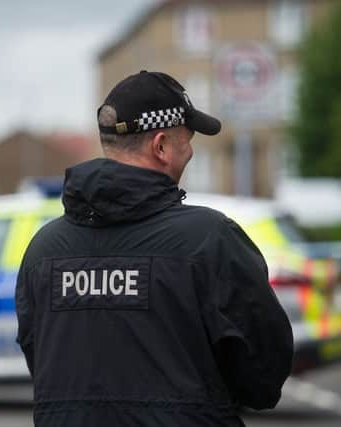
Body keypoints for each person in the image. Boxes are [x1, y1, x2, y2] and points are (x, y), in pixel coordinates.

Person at [15, 70, 294, 426]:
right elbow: (263, 376)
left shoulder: (44, 251)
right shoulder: (210, 239)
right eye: (186, 140)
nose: (190, 151)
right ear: (160, 145)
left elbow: (40, 363)